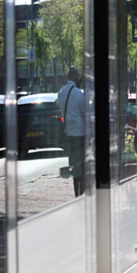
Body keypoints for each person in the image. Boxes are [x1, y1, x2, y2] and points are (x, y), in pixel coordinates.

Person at [57, 66, 85, 196]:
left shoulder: (61, 92)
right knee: (82, 166)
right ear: (75, 77)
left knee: (73, 165)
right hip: (79, 134)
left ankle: (76, 193)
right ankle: (81, 193)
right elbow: (84, 112)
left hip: (68, 133)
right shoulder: (78, 93)